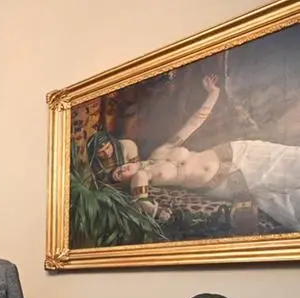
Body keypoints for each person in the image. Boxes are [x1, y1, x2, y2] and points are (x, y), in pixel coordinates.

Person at [97, 74, 300, 231]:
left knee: (293, 162)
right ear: (125, 182)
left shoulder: (160, 152)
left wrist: (213, 95)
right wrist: (151, 208)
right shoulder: (146, 177)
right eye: (119, 174)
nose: (122, 168)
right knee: (287, 203)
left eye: (119, 166)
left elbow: (191, 125)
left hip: (235, 153)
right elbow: (140, 196)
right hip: (225, 181)